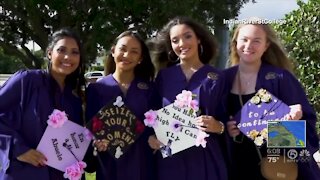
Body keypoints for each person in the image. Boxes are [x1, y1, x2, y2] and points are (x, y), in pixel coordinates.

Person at [223, 18, 320, 180]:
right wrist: (227, 129)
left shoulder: (281, 78)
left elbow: (306, 132)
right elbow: (214, 122)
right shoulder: (222, 80)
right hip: (237, 167)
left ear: (266, 45)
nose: (249, 46)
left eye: (256, 41)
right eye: (244, 40)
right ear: (235, 42)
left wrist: (290, 121)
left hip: (277, 169)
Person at [147, 16, 228, 180]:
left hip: (205, 160)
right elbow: (152, 116)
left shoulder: (217, 77)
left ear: (199, 39)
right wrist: (152, 137)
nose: (182, 44)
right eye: (175, 40)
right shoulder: (164, 77)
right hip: (171, 161)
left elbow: (229, 119)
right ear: (171, 46)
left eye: (187, 36)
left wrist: (218, 126)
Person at [0, 28, 86, 179]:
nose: (68, 57)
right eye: (61, 50)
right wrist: (18, 149)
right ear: (49, 53)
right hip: (23, 173)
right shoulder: (27, 81)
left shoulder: (74, 98)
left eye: (75, 52)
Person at [85, 30, 155, 180]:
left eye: (134, 52)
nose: (127, 55)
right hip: (109, 165)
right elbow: (91, 129)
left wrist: (153, 138)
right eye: (122, 49)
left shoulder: (150, 89)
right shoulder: (97, 89)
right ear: (113, 51)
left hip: (142, 163)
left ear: (141, 58)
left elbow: (156, 127)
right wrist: (96, 141)